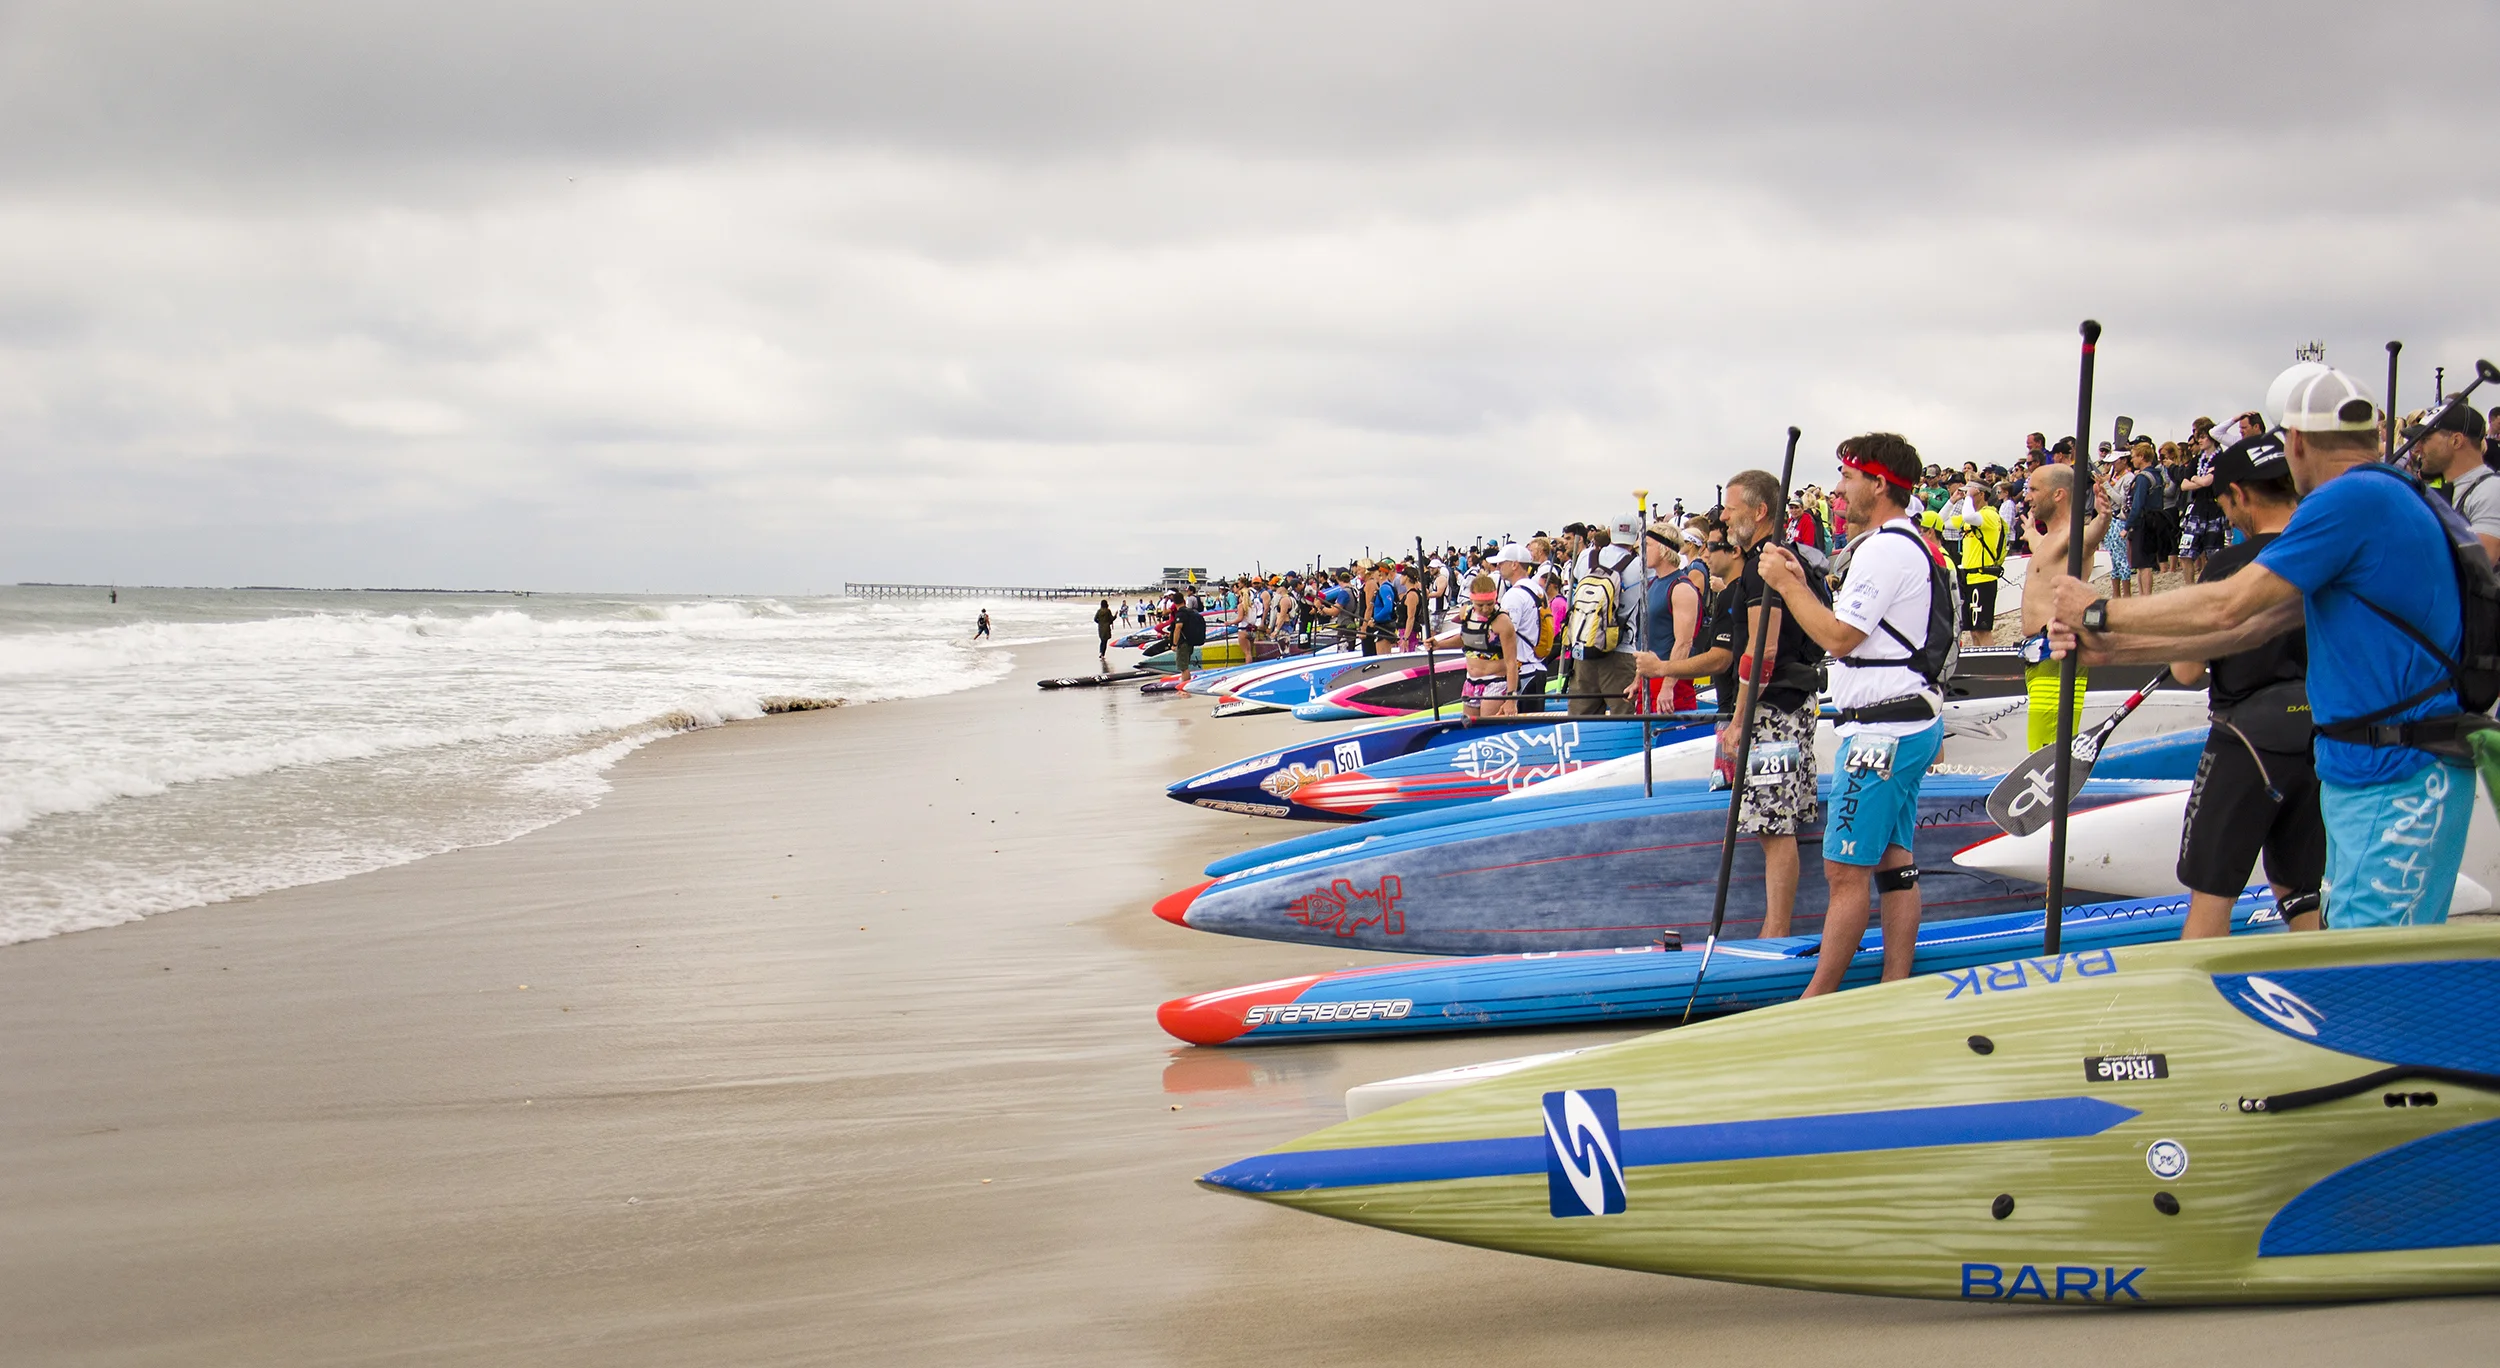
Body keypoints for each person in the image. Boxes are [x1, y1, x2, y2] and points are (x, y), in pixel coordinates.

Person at [2050, 365, 2476, 929]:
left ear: (2294, 440)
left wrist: (2098, 609)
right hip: (2376, 770)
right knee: (2354, 956)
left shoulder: (2350, 500)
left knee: (2374, 980)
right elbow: (2256, 627)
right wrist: (2109, 648)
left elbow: (2233, 604)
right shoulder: (2385, 498)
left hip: (2396, 775)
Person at [1759, 432, 1947, 994]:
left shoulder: (1886, 548)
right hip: (1907, 718)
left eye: (1847, 479)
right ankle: (1893, 984)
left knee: (1844, 871)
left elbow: (1839, 637)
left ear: (1879, 484)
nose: (1837, 491)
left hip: (1883, 730)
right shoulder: (1909, 542)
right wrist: (1799, 581)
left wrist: (1787, 588)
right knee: (1894, 861)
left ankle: (1818, 1000)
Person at [2146, 432, 2324, 939]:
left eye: (2224, 502)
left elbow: (2186, 672)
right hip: (2322, 738)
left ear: (2240, 495)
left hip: (2246, 743)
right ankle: (2317, 1003)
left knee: (2212, 896)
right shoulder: (2331, 555)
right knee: (2302, 894)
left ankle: (2191, 1013)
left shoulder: (2228, 568)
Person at [1630, 470, 1819, 937]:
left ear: (1758, 512)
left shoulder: (1764, 566)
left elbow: (1763, 650)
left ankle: (1776, 933)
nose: (1724, 517)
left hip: (1772, 711)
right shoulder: (1781, 563)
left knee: (1774, 827)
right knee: (1773, 825)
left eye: (1731, 509)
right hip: (1784, 707)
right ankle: (1775, 927)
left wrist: (1738, 720)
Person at [2016, 462, 2108, 749]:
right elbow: (2040, 546)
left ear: (2058, 495)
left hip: (2054, 650)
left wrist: (2104, 517)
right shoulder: (2050, 539)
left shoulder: (2073, 535)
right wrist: (2030, 532)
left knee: (2047, 749)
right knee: (2042, 744)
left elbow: (2089, 538)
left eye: (2033, 489)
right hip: (2040, 652)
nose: (2026, 496)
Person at [1563, 527, 1643, 716]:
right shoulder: (1640, 565)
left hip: (1584, 647)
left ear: (1610, 532)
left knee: (1580, 721)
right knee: (1624, 719)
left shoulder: (1585, 557)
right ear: (1636, 538)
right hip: (1621, 651)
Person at [2409, 405, 2500, 558]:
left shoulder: (2490, 490)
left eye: (2425, 439)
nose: (2417, 449)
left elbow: (2479, 564)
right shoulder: (2450, 490)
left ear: (2456, 441)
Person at [1640, 519, 1706, 715]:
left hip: (1671, 682)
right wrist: (1638, 678)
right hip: (1650, 678)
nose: (1643, 551)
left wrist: (1668, 686)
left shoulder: (1681, 588)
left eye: (1648, 545)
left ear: (1663, 548)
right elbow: (1648, 638)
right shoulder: (1652, 584)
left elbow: (1684, 642)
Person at [1449, 574, 1521, 719]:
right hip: (1471, 682)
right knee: (1469, 729)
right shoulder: (1465, 613)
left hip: (1495, 682)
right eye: (1480, 605)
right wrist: (1438, 645)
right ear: (1472, 600)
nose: (1485, 609)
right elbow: (1466, 639)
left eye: (1490, 604)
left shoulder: (1502, 621)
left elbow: (1511, 662)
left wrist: (1511, 699)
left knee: (1487, 727)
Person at [1490, 543, 1551, 712]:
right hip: (1538, 667)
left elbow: (1505, 634)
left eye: (1501, 563)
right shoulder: (1538, 590)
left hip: (1523, 672)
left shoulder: (1514, 595)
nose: (1498, 567)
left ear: (1514, 564)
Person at [1948, 479, 2007, 646]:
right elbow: (1941, 522)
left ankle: (1990, 668)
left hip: (1983, 578)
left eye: (1971, 493)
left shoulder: (1989, 515)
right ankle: (1979, 666)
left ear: (1981, 494)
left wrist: (1968, 498)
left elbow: (1968, 515)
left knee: (1982, 630)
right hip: (1969, 578)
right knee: (1973, 631)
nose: (1967, 496)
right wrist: (1952, 501)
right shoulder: (1972, 518)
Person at [1094, 598, 1115, 670]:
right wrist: (1115, 615)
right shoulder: (1108, 611)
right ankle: (1102, 654)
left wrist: (1100, 623)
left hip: (1100, 627)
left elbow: (1095, 619)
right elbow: (1111, 619)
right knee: (1105, 641)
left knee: (1102, 640)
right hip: (1106, 627)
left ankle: (1100, 652)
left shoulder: (1099, 611)